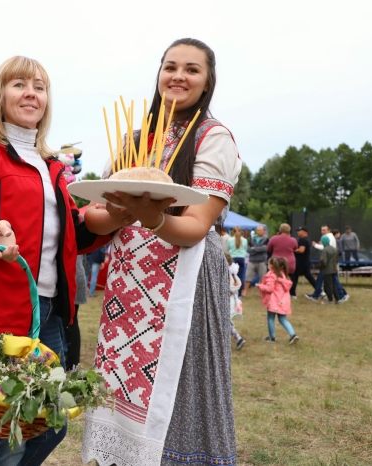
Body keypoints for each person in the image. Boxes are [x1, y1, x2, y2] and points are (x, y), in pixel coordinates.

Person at [0, 56, 111, 466]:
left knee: (52, 422)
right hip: (0, 316)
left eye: (39, 86)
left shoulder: (53, 168)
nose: (31, 92)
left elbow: (70, 236)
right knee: (8, 433)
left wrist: (115, 216)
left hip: (50, 315)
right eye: (18, 84)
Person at [81, 38, 241, 466]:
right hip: (129, 287)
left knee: (178, 384)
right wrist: (121, 214)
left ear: (207, 83)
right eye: (170, 67)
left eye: (192, 69)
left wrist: (148, 217)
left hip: (183, 280)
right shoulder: (135, 139)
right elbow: (94, 218)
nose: (178, 76)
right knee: (122, 382)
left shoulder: (214, 137)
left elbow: (195, 226)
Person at [259, 257, 298, 344]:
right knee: (283, 319)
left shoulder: (272, 276)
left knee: (270, 318)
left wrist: (260, 286)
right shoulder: (284, 276)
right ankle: (293, 334)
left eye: (268, 264)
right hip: (283, 302)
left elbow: (269, 289)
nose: (267, 265)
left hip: (273, 301)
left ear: (272, 266)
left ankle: (272, 337)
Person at [306, 225, 349, 302]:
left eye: (324, 230)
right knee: (327, 280)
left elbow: (325, 248)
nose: (322, 232)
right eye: (321, 230)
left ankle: (340, 296)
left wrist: (315, 245)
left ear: (329, 230)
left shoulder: (328, 237)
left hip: (327, 265)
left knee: (333, 281)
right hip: (330, 264)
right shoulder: (330, 237)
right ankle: (340, 295)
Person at [66, 254, 88, 369]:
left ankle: (72, 361)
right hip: (76, 275)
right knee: (72, 321)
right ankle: (72, 361)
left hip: (71, 277)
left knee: (71, 321)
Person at [225, 252, 246, 350]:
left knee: (225, 323)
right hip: (232, 303)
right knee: (227, 323)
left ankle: (238, 338)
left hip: (225, 303)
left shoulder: (225, 275)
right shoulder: (233, 275)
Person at [290, 226, 317, 298]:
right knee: (309, 277)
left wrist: (292, 250)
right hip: (306, 261)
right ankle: (319, 290)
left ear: (304, 231)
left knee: (294, 277)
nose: (298, 232)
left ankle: (292, 294)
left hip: (300, 262)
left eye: (299, 231)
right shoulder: (308, 239)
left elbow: (301, 250)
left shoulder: (302, 240)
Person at [243, 225, 268, 297]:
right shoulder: (252, 239)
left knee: (263, 278)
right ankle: (245, 292)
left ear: (264, 231)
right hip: (252, 261)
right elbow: (248, 249)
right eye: (258, 230)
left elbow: (265, 249)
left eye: (260, 230)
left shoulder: (266, 239)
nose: (259, 231)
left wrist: (254, 249)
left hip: (262, 261)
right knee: (248, 277)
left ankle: (261, 293)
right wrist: (258, 249)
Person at [318, 235, 339, 305]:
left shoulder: (325, 250)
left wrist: (320, 267)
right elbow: (337, 259)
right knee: (333, 284)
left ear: (323, 241)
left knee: (328, 285)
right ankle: (337, 299)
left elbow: (323, 261)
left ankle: (330, 300)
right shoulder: (334, 248)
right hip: (334, 268)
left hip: (327, 270)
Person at [227, 225, 248, 296]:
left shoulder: (230, 240)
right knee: (241, 276)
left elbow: (227, 249)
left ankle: (232, 290)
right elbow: (245, 249)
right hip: (241, 259)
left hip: (233, 259)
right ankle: (239, 293)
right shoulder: (244, 240)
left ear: (233, 232)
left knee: (232, 276)